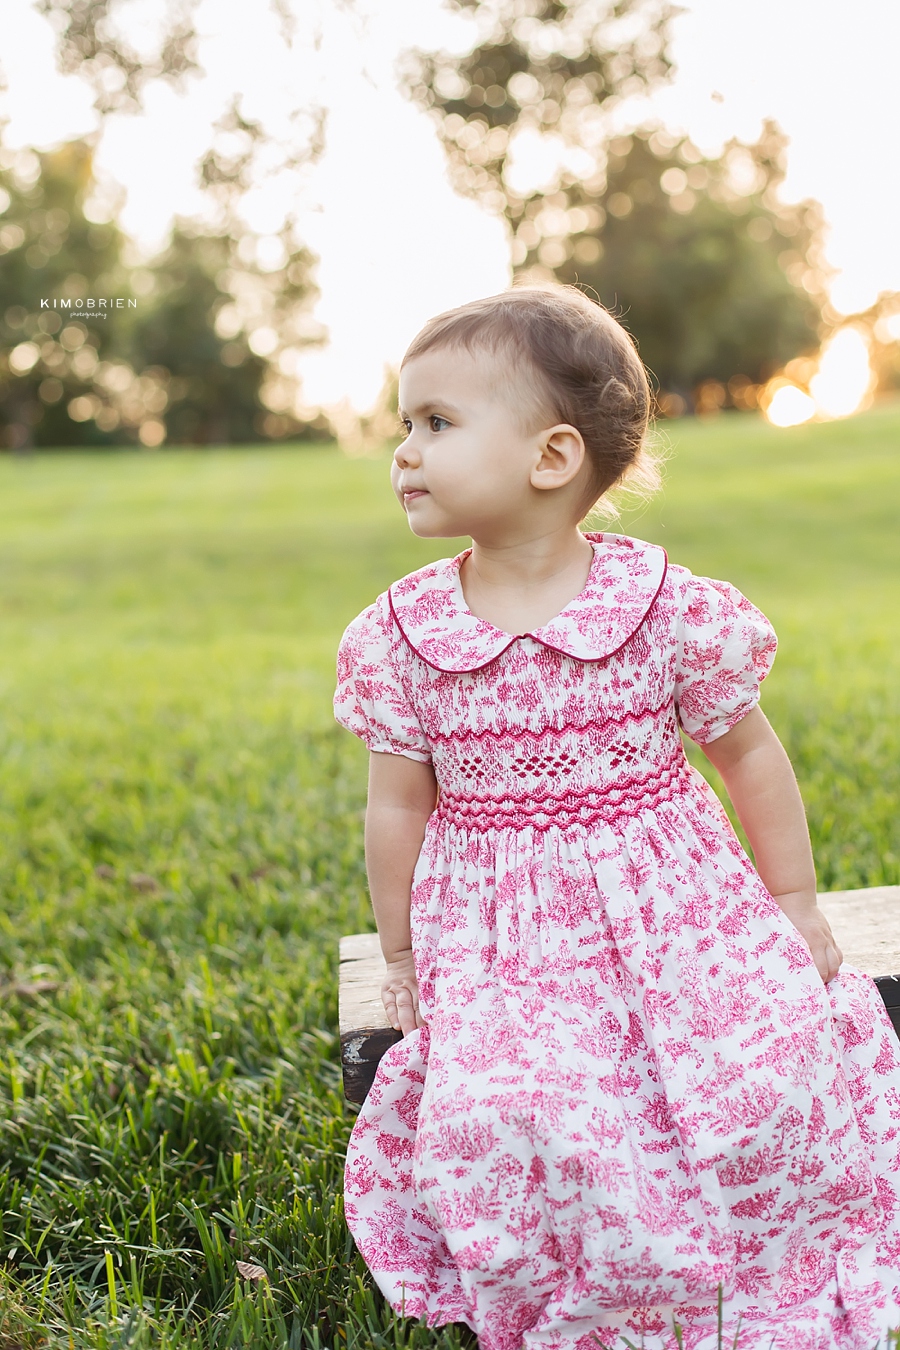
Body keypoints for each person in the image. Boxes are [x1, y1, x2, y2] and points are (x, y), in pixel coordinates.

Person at [333, 285, 900, 1350]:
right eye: (404, 424)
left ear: (551, 458)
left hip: (675, 907)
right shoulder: (403, 636)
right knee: (525, 1111)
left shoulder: (666, 611)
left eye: (437, 423)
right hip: (511, 939)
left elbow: (751, 758)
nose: (402, 451)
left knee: (763, 1061)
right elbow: (395, 808)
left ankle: (762, 1250)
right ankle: (604, 1272)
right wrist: (403, 957)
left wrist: (792, 902)